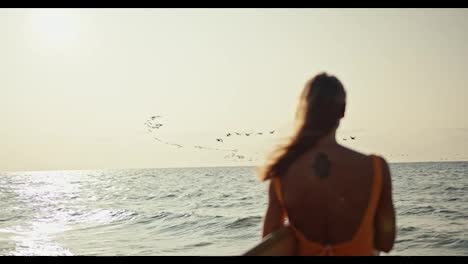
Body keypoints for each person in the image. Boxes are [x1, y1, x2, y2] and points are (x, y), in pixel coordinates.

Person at [259, 73, 396, 256]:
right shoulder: (376, 168)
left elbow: (269, 245)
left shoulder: (282, 171)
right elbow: (386, 243)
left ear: (304, 110)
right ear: (343, 111)